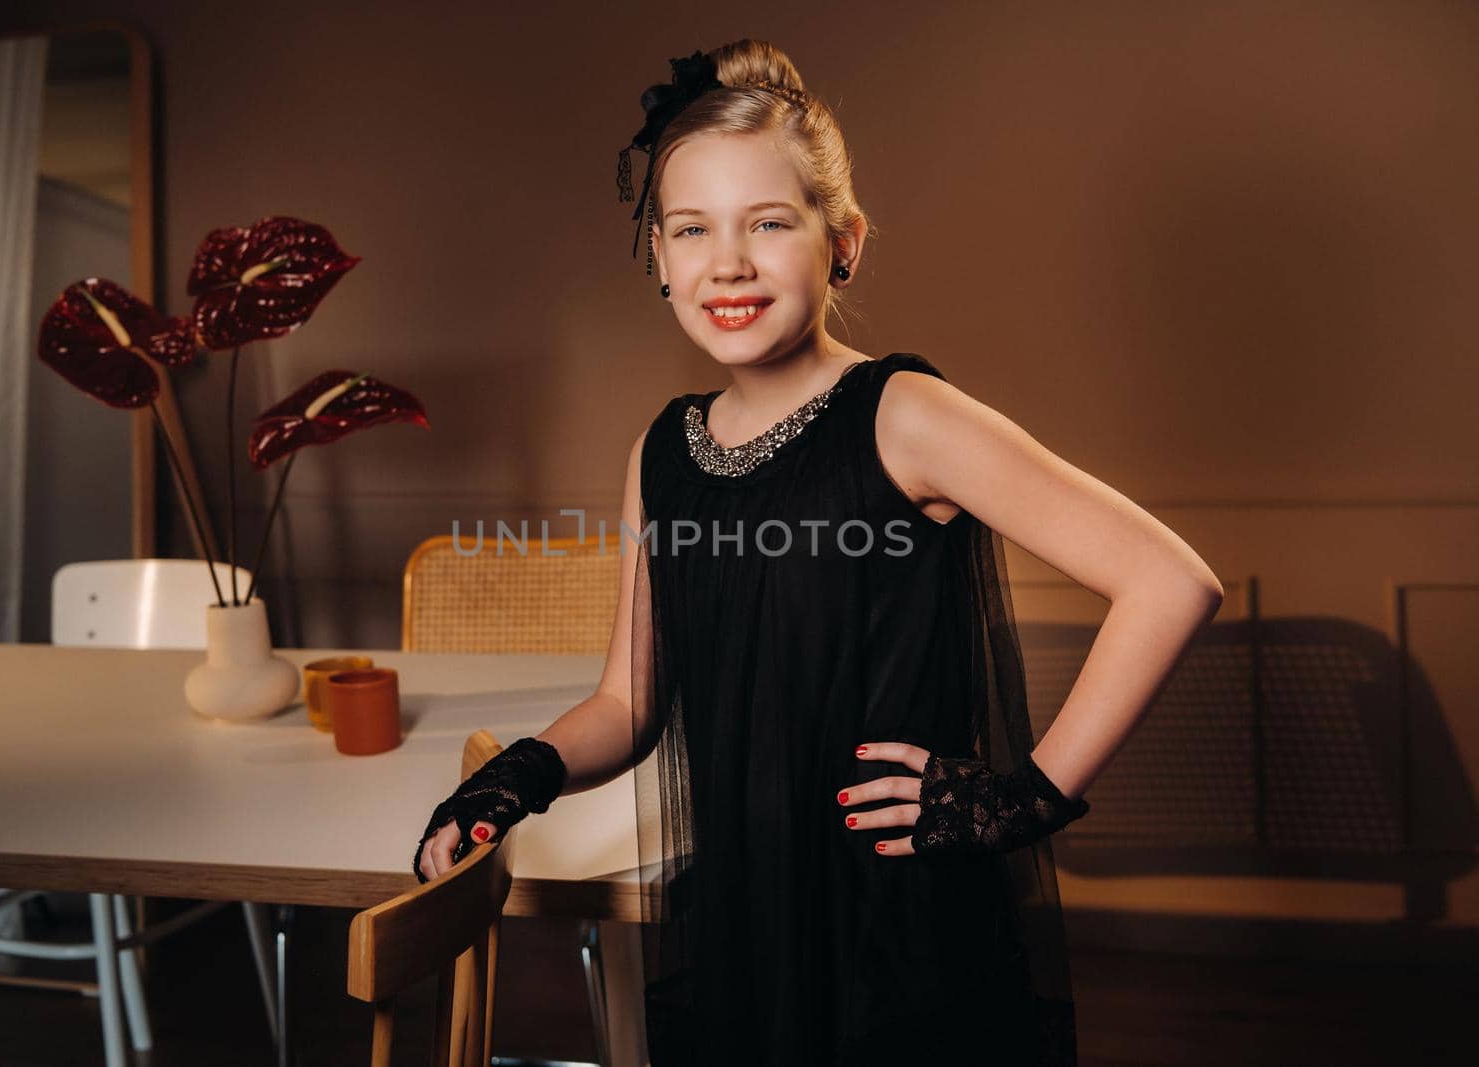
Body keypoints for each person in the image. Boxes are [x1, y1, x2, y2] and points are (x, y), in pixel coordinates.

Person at [413, 38, 1224, 1065]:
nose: (729, 263)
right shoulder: (661, 452)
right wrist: (514, 779)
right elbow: (629, 701)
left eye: (769, 223)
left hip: (897, 918)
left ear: (843, 242)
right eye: (692, 229)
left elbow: (1169, 581)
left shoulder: (903, 414)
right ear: (658, 257)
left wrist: (1023, 794)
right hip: (747, 909)